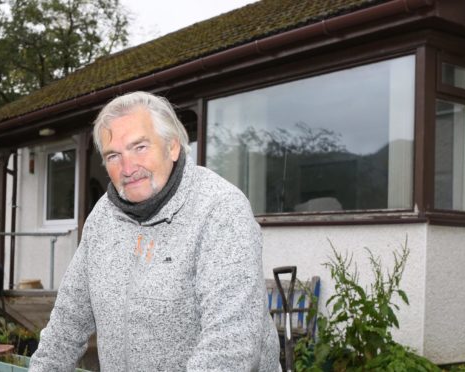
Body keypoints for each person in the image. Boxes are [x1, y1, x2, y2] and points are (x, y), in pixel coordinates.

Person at [29, 91, 280, 371]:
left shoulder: (220, 209)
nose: (128, 168)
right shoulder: (102, 218)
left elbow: (230, 345)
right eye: (114, 155)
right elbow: (67, 322)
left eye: (140, 147)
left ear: (172, 147)